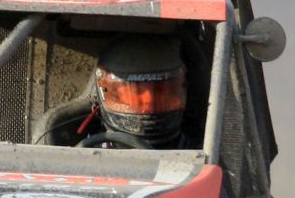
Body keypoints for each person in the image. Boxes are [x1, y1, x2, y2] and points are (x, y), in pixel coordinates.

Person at [33, 34, 190, 149]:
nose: (148, 100)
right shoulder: (79, 150)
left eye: (161, 93)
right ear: (103, 91)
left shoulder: (205, 150)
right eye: (135, 94)